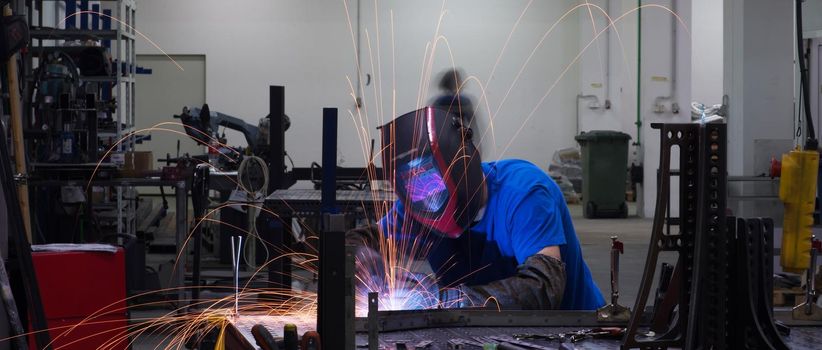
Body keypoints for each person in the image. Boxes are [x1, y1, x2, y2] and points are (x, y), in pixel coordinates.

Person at [347, 107, 605, 310]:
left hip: (573, 332)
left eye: (433, 181)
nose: (428, 194)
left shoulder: (524, 193)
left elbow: (543, 287)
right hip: (488, 334)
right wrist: (370, 268)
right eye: (415, 186)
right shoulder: (418, 205)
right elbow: (358, 243)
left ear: (461, 163)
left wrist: (446, 300)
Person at [431, 68, 476, 134]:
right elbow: (473, 123)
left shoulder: (438, 101)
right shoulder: (464, 101)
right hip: (459, 138)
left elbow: (432, 122)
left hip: (441, 137)